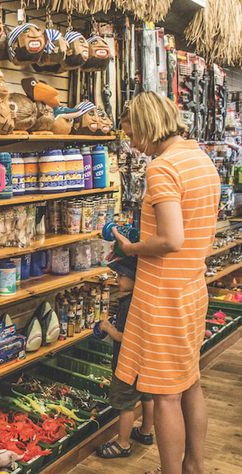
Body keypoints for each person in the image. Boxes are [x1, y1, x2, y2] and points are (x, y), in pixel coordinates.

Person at [113, 92, 220, 474]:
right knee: (190, 382)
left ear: (145, 126)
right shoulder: (199, 158)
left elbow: (171, 239)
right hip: (192, 286)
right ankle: (193, 466)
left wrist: (131, 246)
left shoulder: (162, 168)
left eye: (132, 135)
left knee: (164, 395)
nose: (133, 145)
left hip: (164, 294)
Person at [96, 256, 155, 459]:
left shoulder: (129, 305)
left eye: (121, 275)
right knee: (147, 397)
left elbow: (122, 337)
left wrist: (106, 326)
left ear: (135, 277)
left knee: (125, 404)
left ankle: (123, 443)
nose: (117, 280)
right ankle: (146, 432)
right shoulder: (145, 298)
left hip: (127, 362)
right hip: (145, 360)